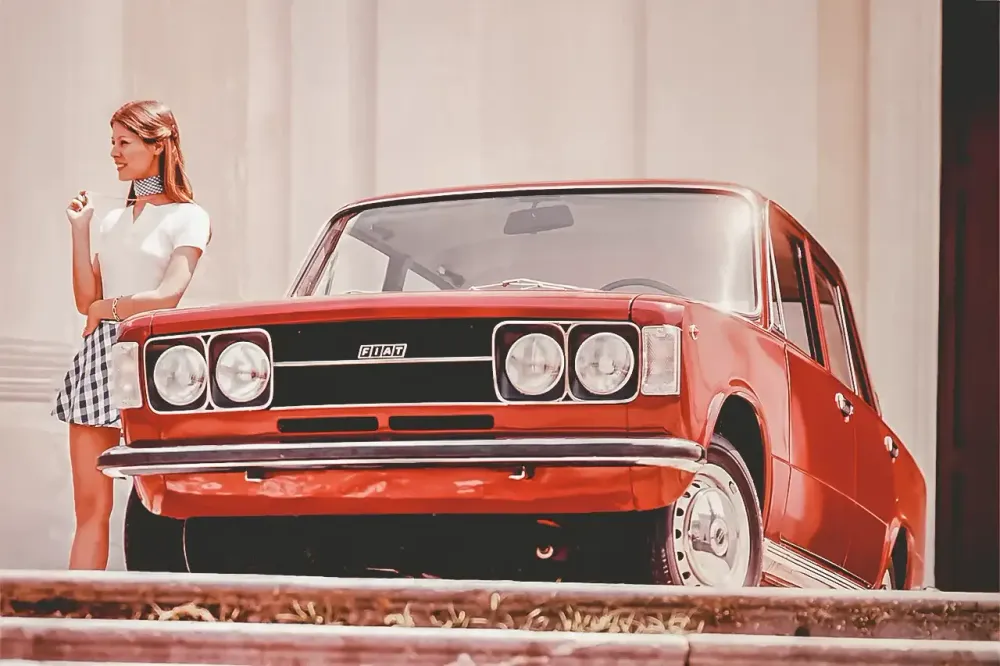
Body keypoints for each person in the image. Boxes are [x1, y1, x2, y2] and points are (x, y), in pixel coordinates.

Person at [53, 100, 211, 570]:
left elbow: (167, 296)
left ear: (157, 145)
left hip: (151, 360)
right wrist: (80, 231)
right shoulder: (111, 220)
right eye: (113, 142)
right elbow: (86, 300)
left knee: (165, 505)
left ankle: (168, 607)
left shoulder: (188, 216)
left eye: (124, 142)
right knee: (90, 511)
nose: (114, 153)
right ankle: (75, 610)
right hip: (97, 359)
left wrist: (106, 309)